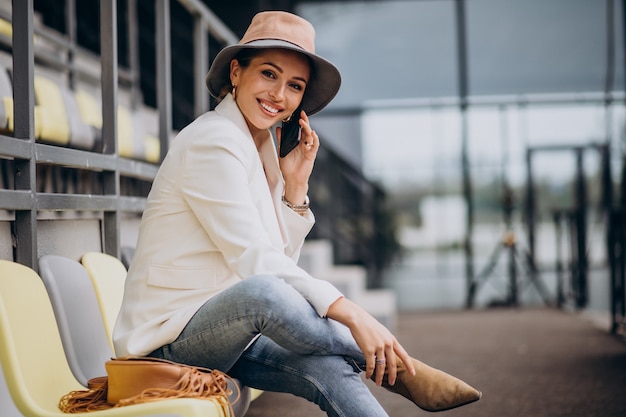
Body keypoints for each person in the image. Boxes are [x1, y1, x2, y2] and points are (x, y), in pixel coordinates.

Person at [113, 11, 481, 417]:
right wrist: (352, 313)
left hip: (226, 330)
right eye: (269, 74)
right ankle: (401, 368)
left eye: (294, 86)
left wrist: (294, 189)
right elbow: (257, 266)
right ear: (236, 72)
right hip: (167, 342)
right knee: (264, 293)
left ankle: (392, 369)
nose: (279, 94)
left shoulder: (262, 152)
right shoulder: (212, 141)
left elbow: (278, 263)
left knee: (328, 367)